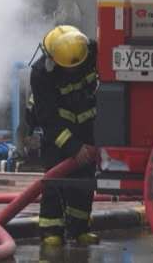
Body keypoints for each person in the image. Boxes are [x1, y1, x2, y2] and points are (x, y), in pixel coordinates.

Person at [28, 25, 100, 248]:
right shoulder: (42, 74)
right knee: (54, 180)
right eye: (68, 69)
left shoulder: (90, 53)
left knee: (85, 181)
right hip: (58, 134)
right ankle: (51, 229)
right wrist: (73, 147)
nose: (72, 72)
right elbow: (48, 119)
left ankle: (80, 229)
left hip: (87, 127)